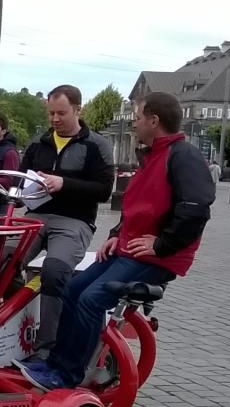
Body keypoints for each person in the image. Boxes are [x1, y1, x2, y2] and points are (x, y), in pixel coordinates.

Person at [17, 92, 214, 389]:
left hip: (154, 257)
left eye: (136, 117)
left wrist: (161, 245)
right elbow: (139, 206)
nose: (133, 123)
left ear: (154, 120)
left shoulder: (183, 156)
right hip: (129, 249)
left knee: (91, 300)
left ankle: (68, 375)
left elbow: (196, 208)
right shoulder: (153, 154)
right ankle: (55, 362)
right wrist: (116, 235)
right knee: (72, 289)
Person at [19, 84, 115, 352]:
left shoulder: (97, 145)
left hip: (75, 219)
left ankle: (48, 346)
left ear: (77, 109)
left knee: (55, 271)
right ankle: (9, 332)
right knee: (4, 263)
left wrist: (64, 183)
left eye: (61, 113)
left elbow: (105, 190)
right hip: (36, 214)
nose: (54, 120)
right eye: (51, 114)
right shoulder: (38, 143)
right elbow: (19, 179)